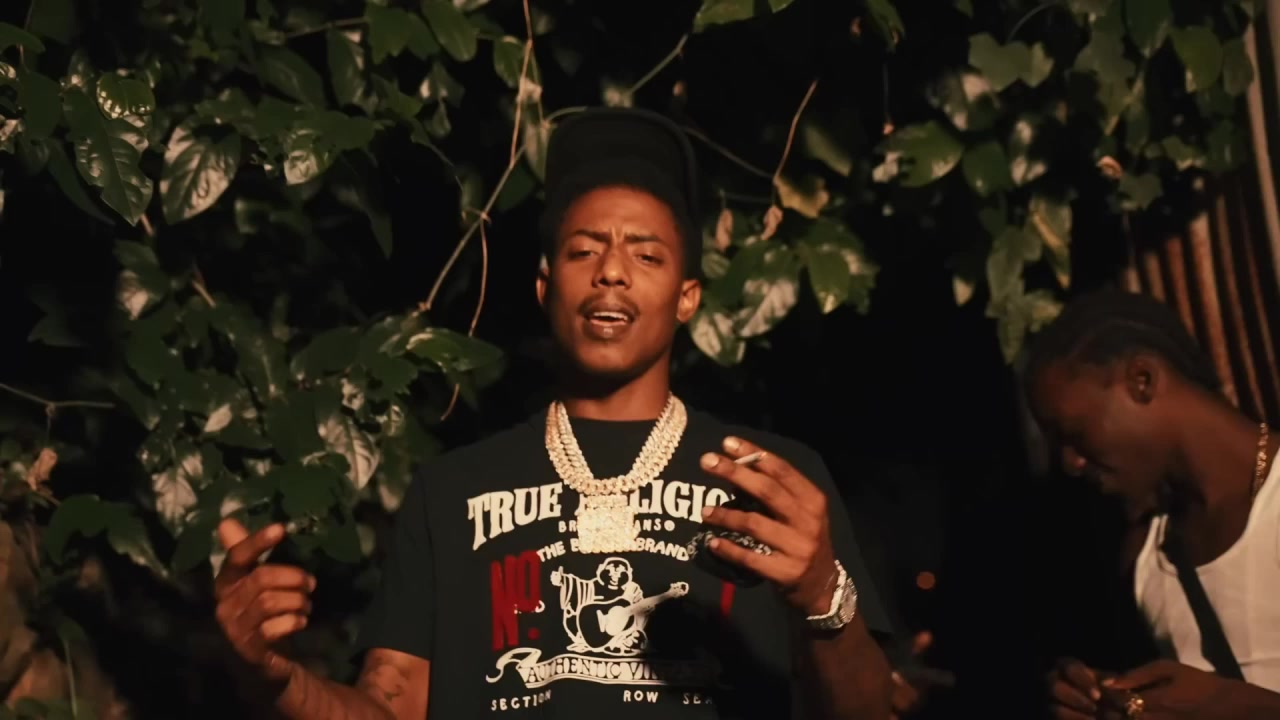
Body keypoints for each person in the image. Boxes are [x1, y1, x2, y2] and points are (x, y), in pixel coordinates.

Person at [212, 106, 900, 719]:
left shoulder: (773, 483)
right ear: (546, 286)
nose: (611, 271)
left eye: (647, 254)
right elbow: (390, 706)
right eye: (583, 250)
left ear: (688, 298)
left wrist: (824, 597)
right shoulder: (451, 491)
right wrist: (275, 681)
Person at [1025, 288, 1280, 719]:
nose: (1071, 463)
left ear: (1141, 380)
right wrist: (1108, 700)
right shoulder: (1146, 552)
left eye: (1073, 434)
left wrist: (1234, 707)